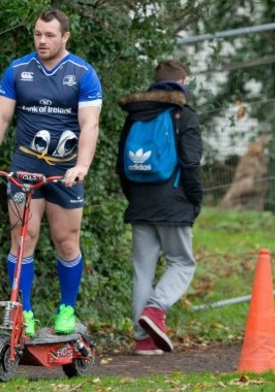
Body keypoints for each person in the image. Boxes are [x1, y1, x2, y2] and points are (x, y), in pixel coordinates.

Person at [0, 9, 103, 337]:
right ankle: (23, 311)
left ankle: (67, 308)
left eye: (49, 35)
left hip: (64, 173)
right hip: (24, 169)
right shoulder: (18, 70)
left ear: (65, 37)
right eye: (37, 34)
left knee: (66, 240)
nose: (42, 41)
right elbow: (0, 117)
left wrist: (81, 166)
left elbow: (90, 124)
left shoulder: (82, 73)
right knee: (22, 240)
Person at [116, 59, 203, 356]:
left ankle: (143, 340)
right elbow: (190, 163)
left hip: (140, 202)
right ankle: (156, 310)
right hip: (174, 201)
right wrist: (194, 199)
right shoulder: (184, 115)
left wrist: (135, 197)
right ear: (183, 81)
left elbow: (120, 165)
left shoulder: (135, 115)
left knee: (143, 270)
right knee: (181, 262)